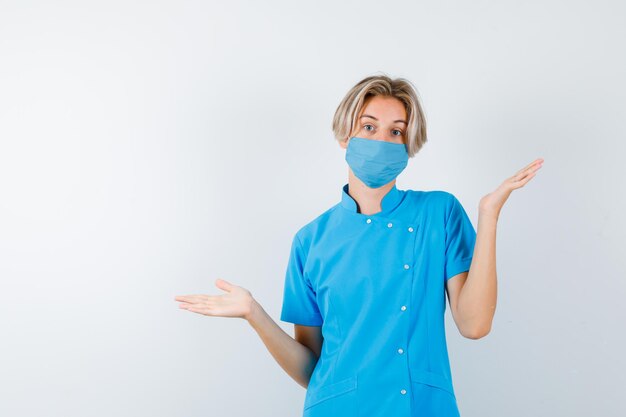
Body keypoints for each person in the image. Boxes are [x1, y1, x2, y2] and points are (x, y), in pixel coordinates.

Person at [174, 74, 544, 417]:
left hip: (421, 406)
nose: (382, 141)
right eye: (369, 127)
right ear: (344, 136)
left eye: (396, 132)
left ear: (408, 144)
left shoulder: (439, 212)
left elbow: (474, 324)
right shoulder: (311, 240)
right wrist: (254, 314)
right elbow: (312, 367)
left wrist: (489, 214)